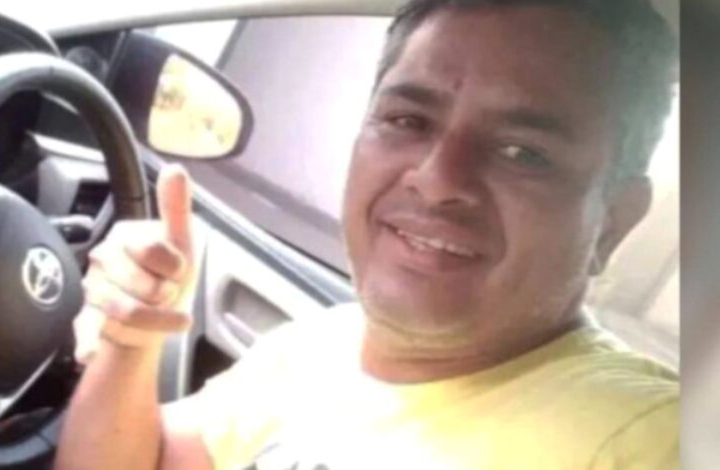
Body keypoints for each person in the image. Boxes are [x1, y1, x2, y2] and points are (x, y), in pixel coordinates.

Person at [56, 0, 679, 469]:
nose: (437, 179)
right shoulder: (323, 343)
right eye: (408, 119)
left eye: (523, 153)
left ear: (613, 223)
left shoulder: (648, 435)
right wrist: (128, 346)